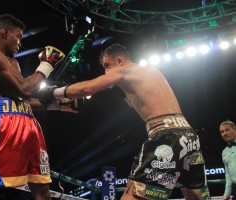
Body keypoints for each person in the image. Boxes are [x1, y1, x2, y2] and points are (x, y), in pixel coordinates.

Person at [38, 43, 208, 199]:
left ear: (119, 60)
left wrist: (55, 92)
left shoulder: (124, 70)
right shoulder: (151, 71)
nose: (106, 72)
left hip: (165, 135)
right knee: (194, 194)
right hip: (188, 136)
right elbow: (138, 101)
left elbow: (87, 88)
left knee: (133, 196)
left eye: (107, 66)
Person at [0, 13, 71, 200]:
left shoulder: (13, 62)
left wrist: (56, 105)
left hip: (29, 124)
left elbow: (21, 101)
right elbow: (24, 90)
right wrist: (46, 65)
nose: (20, 43)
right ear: (5, 33)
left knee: (41, 186)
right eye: (19, 36)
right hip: (5, 122)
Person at [219, 120, 236, 200]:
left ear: (234, 130)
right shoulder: (224, 152)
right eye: (222, 132)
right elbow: (228, 175)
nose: (224, 133)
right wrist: (227, 193)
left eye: (227, 130)